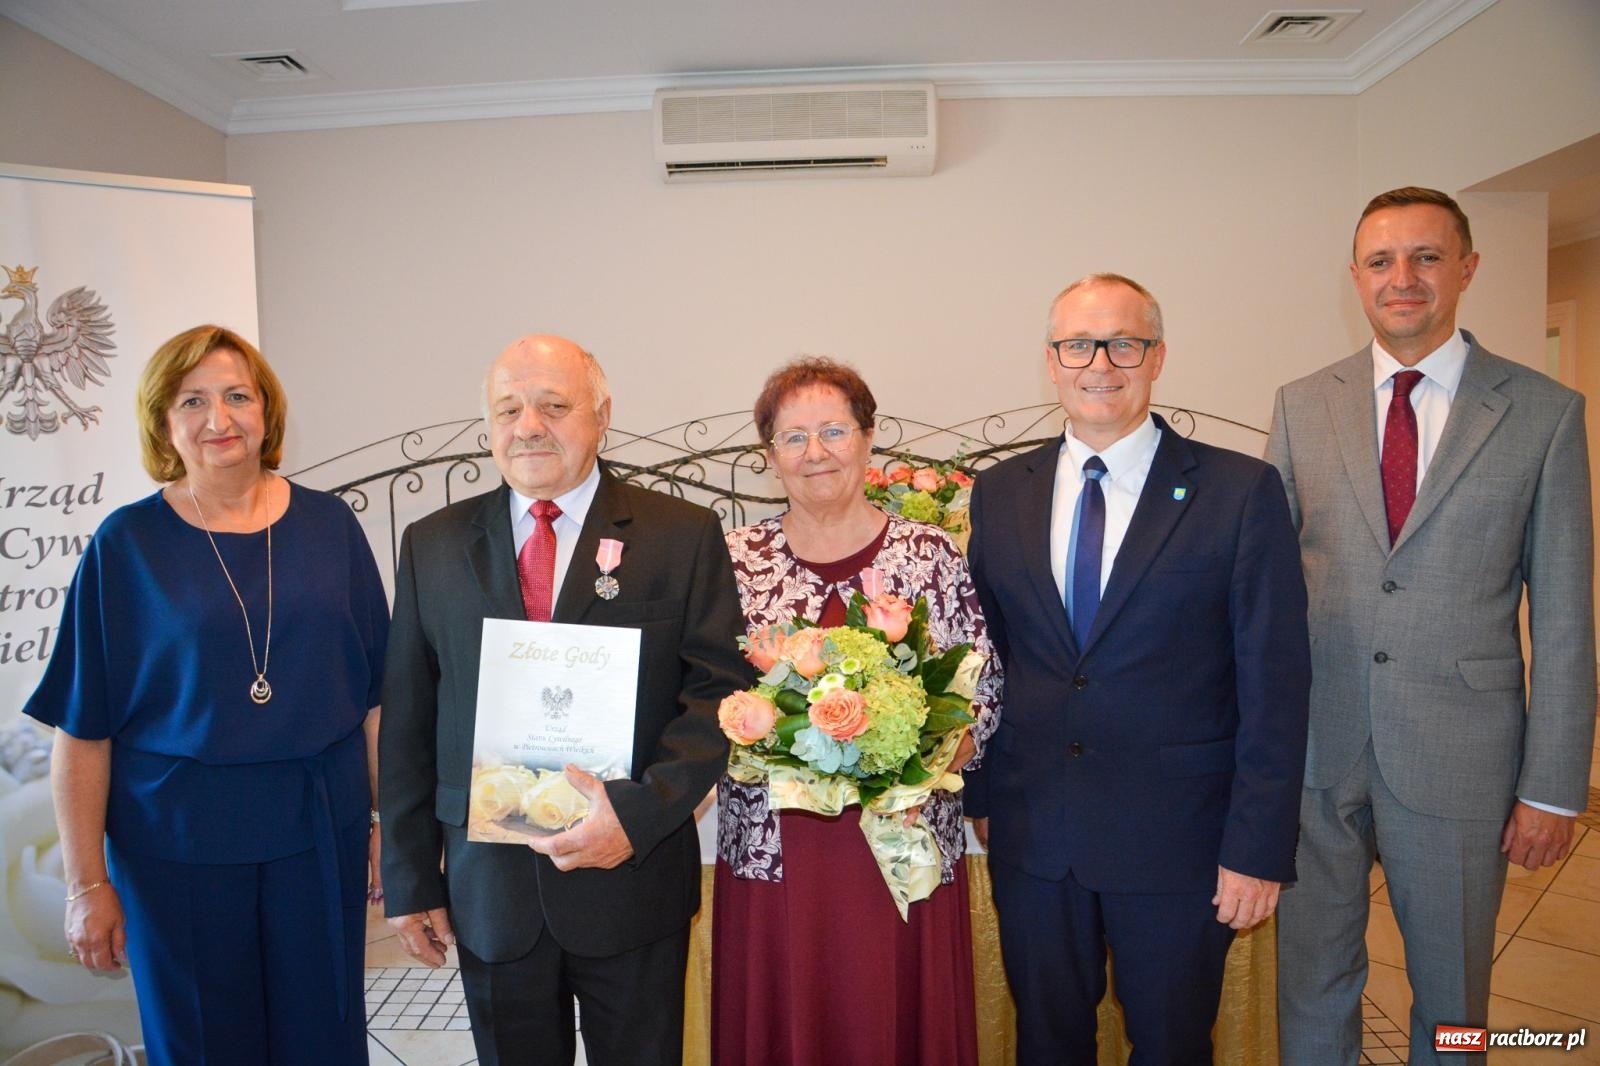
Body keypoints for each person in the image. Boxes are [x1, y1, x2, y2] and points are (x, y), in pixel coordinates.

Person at [1269, 187, 1597, 1064]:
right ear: (1355, 277)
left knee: (1454, 999)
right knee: (1311, 977)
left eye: (1425, 257)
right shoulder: (1303, 405)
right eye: (1381, 261)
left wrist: (1553, 785)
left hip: (1462, 756)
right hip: (1314, 748)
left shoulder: (1544, 413)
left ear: (1467, 268)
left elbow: (1566, 616)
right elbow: (1263, 596)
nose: (1402, 278)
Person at [963, 274, 1311, 1065]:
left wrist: (1258, 846)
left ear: (1157, 357)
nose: (1100, 363)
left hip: (1179, 843)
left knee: (1172, 1045)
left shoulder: (1238, 490)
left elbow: (1276, 683)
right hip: (1036, 834)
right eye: (1078, 344)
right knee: (1048, 1043)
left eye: (1125, 343)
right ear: (1051, 362)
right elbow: (987, 659)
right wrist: (984, 794)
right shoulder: (1000, 492)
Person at [380, 334, 748, 1066]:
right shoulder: (434, 545)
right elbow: (410, 720)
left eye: (554, 405)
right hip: (491, 891)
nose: (529, 426)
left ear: (602, 413)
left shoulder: (682, 535)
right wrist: (411, 877)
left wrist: (637, 815)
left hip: (631, 883)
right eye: (508, 409)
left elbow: (719, 694)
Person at [24, 325, 388, 1064]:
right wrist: (84, 882)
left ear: (266, 412)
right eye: (192, 400)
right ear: (164, 421)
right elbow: (82, 728)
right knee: (202, 1045)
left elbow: (377, 699)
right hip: (176, 843)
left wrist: (391, 825)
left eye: (236, 397)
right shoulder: (125, 544)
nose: (218, 419)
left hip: (319, 829)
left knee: (325, 1037)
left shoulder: (330, 526)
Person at [713, 356, 1001, 1066]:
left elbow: (983, 688)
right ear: (768, 455)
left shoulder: (929, 552)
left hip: (901, 842)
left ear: (870, 439)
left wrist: (933, 759)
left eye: (835, 430)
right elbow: (703, 693)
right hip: (774, 845)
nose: (816, 453)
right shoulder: (733, 559)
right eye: (794, 437)